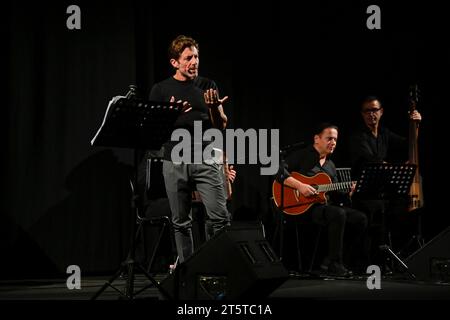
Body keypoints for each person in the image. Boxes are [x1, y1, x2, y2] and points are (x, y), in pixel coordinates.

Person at [148, 35, 232, 264]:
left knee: (220, 217)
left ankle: (217, 266)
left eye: (196, 56)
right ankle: (187, 270)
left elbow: (221, 125)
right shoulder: (161, 90)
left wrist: (215, 108)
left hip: (206, 157)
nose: (194, 62)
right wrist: (172, 115)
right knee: (181, 221)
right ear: (175, 62)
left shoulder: (208, 85)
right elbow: (153, 132)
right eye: (188, 58)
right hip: (175, 158)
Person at [277, 123, 368, 276]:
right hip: (300, 207)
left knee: (361, 218)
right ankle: (335, 264)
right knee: (338, 213)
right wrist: (299, 186)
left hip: (321, 206)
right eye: (329, 138)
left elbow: (336, 193)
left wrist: (349, 192)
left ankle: (333, 259)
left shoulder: (330, 165)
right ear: (317, 139)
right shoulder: (302, 155)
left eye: (335, 140)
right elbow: (277, 170)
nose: (333, 142)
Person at [348, 96, 422, 266]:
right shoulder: (357, 136)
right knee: (382, 211)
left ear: (381, 112)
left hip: (382, 190)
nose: (371, 114)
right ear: (362, 114)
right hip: (363, 191)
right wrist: (390, 167)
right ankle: (373, 259)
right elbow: (369, 159)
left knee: (406, 208)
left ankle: (394, 254)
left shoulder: (384, 133)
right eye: (367, 111)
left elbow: (408, 144)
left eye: (374, 110)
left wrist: (415, 125)